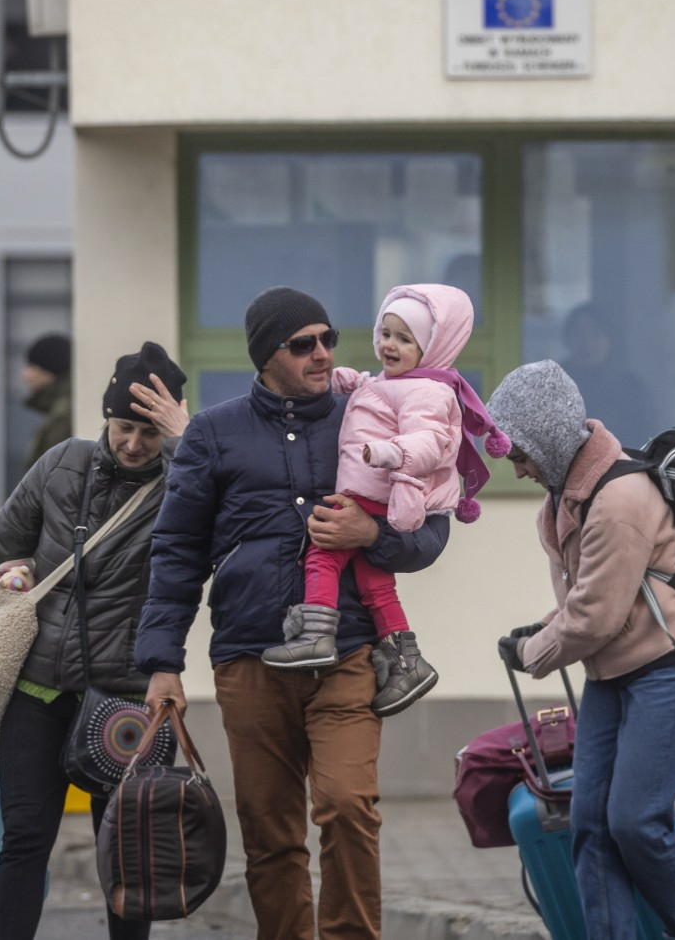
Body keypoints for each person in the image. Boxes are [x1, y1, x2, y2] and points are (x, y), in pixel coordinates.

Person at [137, 287, 450, 940]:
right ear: (264, 354)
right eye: (302, 343)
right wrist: (161, 661)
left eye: (328, 338)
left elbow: (430, 526)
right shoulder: (213, 434)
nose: (323, 353)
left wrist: (371, 535)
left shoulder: (366, 412)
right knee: (269, 829)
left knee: (346, 805)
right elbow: (175, 551)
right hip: (249, 656)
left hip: (348, 652)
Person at [0, 342, 190, 940]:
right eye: (122, 427)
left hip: (124, 699)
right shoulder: (63, 464)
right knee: (25, 838)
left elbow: (231, 507)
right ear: (104, 419)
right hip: (37, 691)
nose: (134, 444)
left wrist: (186, 441)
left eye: (148, 431)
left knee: (124, 847)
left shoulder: (181, 487)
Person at [488, 361, 675, 940]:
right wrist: (537, 630)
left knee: (636, 821)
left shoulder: (618, 501)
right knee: (589, 825)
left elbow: (595, 616)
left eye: (520, 455)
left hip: (669, 670)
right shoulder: (566, 497)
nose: (516, 470)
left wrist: (533, 653)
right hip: (613, 675)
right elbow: (588, 597)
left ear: (548, 437)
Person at [261, 284, 510, 717]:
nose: (389, 345)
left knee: (323, 553)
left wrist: (393, 452)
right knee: (373, 581)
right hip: (373, 492)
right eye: (386, 333)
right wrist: (350, 381)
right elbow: (376, 395)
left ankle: (316, 634)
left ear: (432, 347)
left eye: (404, 339)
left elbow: (431, 440)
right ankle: (405, 660)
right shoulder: (401, 383)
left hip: (376, 492)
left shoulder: (428, 391)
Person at [559, 303, 655, 442]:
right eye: (579, 334)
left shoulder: (629, 386)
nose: (587, 341)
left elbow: (643, 434)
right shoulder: (555, 383)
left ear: (610, 339)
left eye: (595, 334)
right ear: (568, 339)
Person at [21, 333, 73, 474]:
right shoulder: (63, 408)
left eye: (31, 366)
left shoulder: (62, 415)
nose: (25, 375)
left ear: (49, 370)